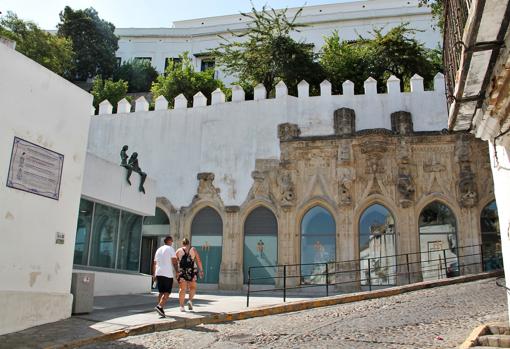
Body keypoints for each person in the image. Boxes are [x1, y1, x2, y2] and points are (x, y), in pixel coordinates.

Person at [175, 238, 204, 312]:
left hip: (182, 271)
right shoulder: (193, 249)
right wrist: (201, 270)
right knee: (193, 287)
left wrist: (176, 272)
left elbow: (175, 262)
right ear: (189, 243)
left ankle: (181, 306)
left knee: (182, 289)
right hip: (192, 270)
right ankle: (190, 301)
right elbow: (198, 260)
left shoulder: (178, 250)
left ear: (182, 243)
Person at [152, 236, 178, 318]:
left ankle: (161, 308)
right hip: (167, 273)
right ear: (169, 241)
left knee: (161, 292)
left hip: (158, 272)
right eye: (172, 241)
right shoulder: (170, 249)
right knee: (167, 292)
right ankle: (159, 306)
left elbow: (154, 263)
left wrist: (154, 274)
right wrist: (177, 271)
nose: (172, 242)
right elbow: (174, 262)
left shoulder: (158, 250)